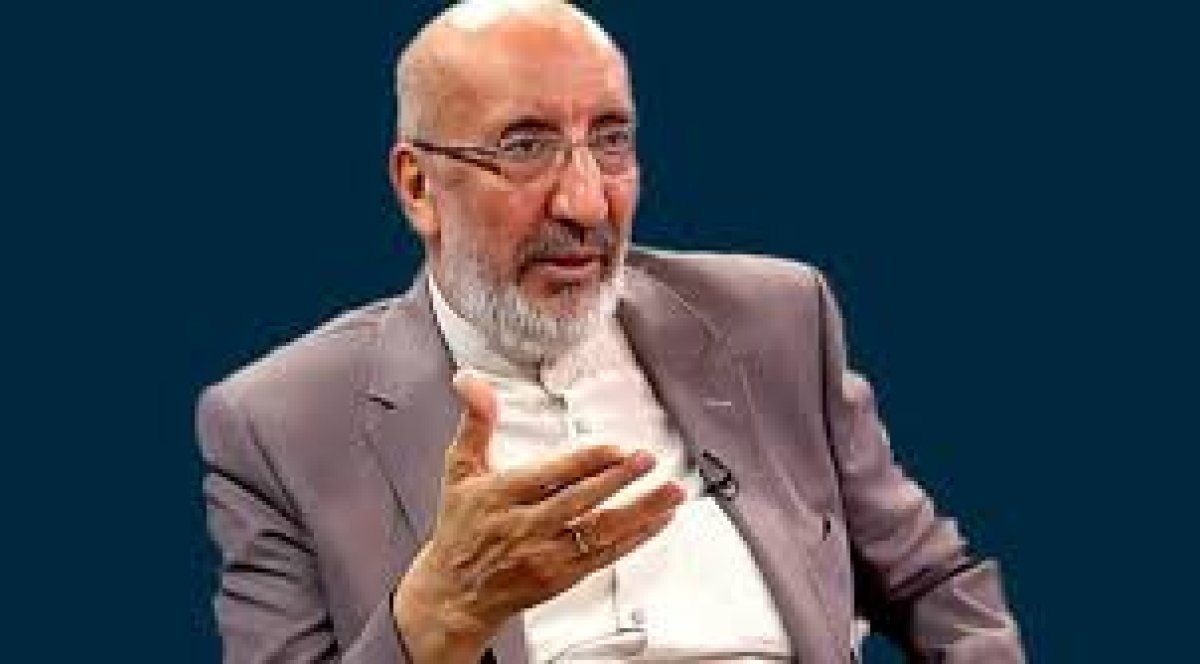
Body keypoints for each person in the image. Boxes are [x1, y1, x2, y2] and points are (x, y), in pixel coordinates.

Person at [196, 1, 1025, 662]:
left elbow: (938, 587)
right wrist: (434, 621)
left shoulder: (776, 321)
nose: (585, 201)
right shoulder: (278, 425)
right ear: (419, 187)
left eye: (611, 141)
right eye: (525, 147)